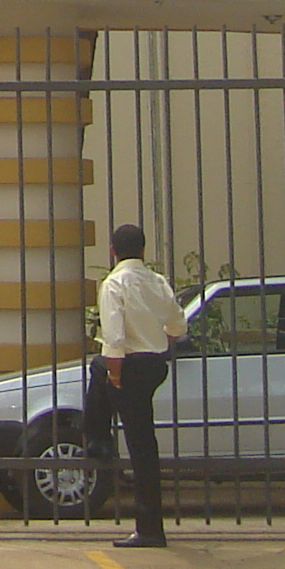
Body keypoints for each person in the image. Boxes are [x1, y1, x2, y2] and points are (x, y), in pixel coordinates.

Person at [87, 222, 189, 548]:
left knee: (101, 370)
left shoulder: (114, 284)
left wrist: (114, 375)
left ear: (113, 251)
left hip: (127, 366)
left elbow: (114, 338)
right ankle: (99, 439)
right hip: (154, 364)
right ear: (143, 250)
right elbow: (177, 326)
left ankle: (98, 442)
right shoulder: (157, 282)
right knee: (144, 442)